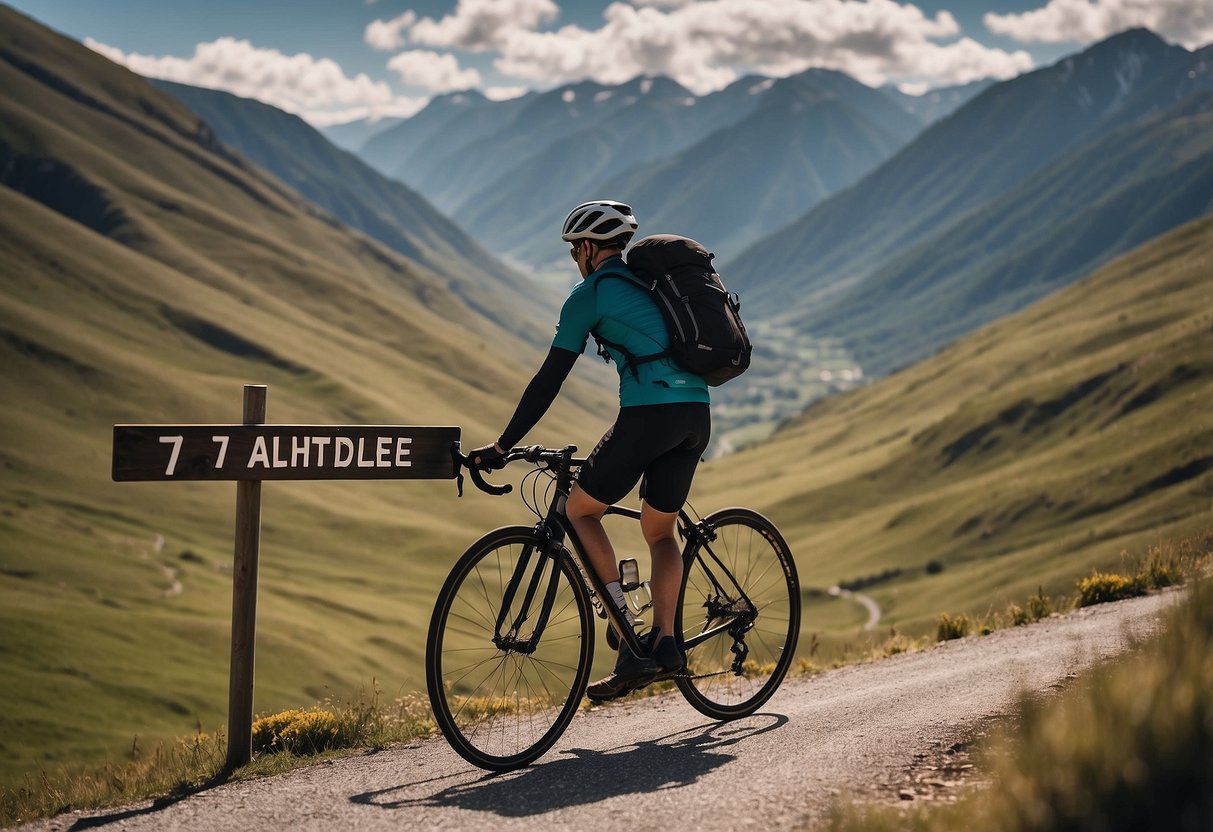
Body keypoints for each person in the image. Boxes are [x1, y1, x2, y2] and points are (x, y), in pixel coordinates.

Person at [470, 199, 712, 701]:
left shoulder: (590, 294)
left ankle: (629, 640)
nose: (572, 259)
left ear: (584, 248)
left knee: (580, 510)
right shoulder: (649, 284)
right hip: (695, 414)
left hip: (650, 415)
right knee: (660, 532)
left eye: (571, 251)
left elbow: (548, 380)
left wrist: (502, 445)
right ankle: (665, 645)